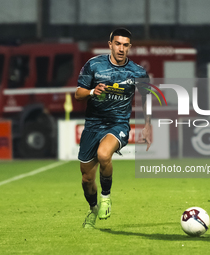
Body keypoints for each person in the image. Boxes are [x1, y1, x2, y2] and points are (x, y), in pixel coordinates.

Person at [75, 28, 152, 229]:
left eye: (125, 45)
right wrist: (92, 91)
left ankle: (106, 196)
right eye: (118, 44)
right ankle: (93, 208)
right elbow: (78, 93)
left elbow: (147, 98)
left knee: (103, 154)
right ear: (110, 44)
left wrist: (147, 125)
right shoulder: (93, 65)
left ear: (130, 47)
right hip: (93, 125)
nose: (121, 48)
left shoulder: (138, 72)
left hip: (118, 124)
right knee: (86, 178)